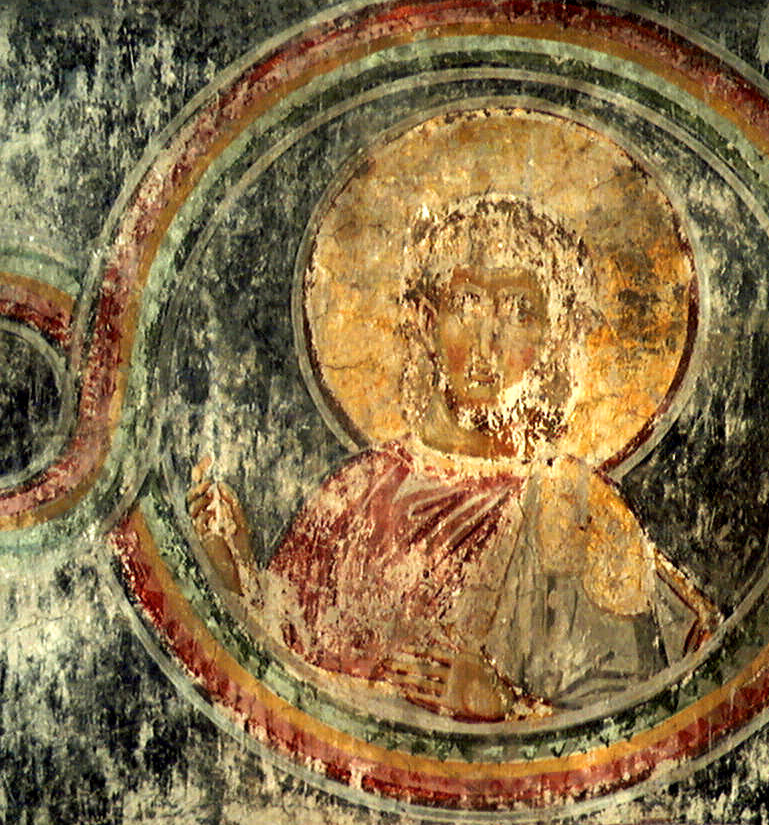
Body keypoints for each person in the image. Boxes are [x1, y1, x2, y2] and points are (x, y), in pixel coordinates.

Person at [189, 195, 719, 721]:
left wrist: (503, 706)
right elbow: (283, 678)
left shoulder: (577, 511)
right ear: (426, 320)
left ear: (552, 334)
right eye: (466, 303)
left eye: (520, 311)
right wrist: (234, 582)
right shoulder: (353, 495)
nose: (489, 339)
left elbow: (631, 723)